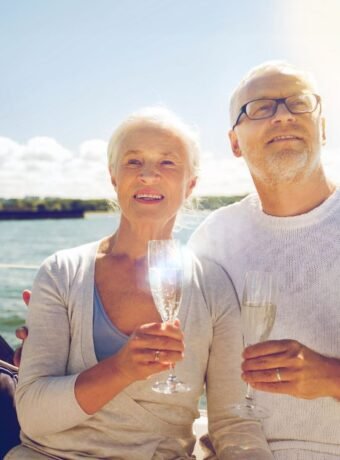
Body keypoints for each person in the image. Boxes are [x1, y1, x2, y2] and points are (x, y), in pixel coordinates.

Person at [5, 107, 272, 460]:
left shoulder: (212, 286)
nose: (148, 175)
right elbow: (34, 416)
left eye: (167, 163)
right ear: (113, 177)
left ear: (190, 183)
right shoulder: (62, 271)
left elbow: (233, 424)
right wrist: (121, 369)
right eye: (133, 162)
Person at [189, 60, 340, 459]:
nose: (284, 115)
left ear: (322, 128)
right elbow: (179, 344)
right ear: (234, 142)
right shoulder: (213, 238)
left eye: (299, 103)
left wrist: (332, 377)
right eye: (260, 108)